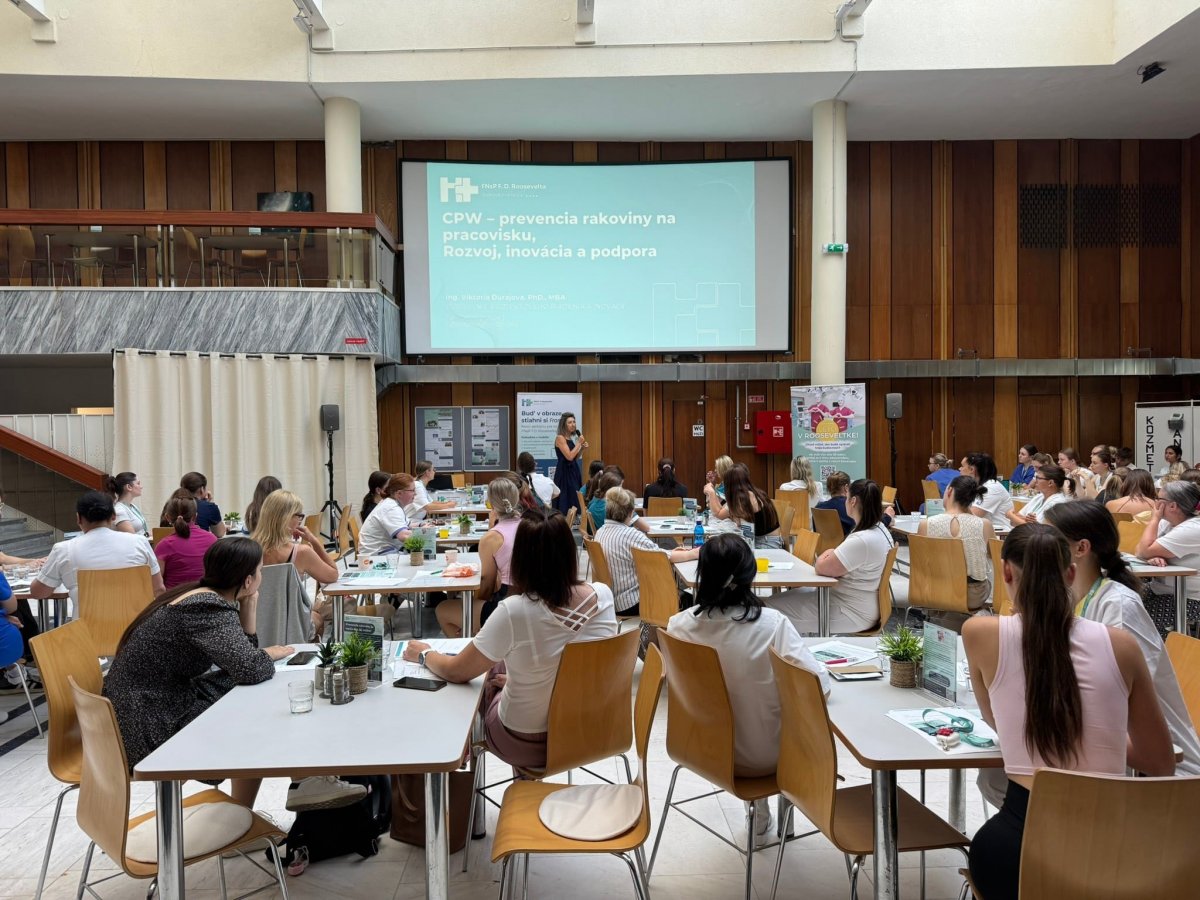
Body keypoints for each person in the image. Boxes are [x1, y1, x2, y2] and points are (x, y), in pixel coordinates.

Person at [964, 523, 1173, 900]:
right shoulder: (1121, 645)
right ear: (1072, 574)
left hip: (1018, 850)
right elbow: (1160, 763)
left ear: (1006, 571)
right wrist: (1101, 735)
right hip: (1112, 852)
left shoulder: (979, 633)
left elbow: (999, 724)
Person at [103, 539, 367, 812]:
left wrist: (250, 609)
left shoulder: (198, 596)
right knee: (256, 708)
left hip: (146, 702)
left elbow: (243, 658)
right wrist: (266, 655)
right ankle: (300, 784)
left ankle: (274, 796)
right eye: (261, 571)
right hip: (147, 717)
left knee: (252, 696)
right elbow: (250, 668)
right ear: (248, 580)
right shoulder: (207, 608)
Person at [402, 510, 617, 771]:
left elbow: (456, 672)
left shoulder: (514, 611)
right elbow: (576, 665)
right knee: (504, 664)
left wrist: (424, 654)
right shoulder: (604, 596)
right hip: (594, 732)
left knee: (484, 675)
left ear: (520, 558)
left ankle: (459, 757)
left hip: (527, 742)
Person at [667, 534, 830, 842]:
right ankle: (774, 815)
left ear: (702, 574)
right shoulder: (773, 624)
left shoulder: (678, 626)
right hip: (765, 757)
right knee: (774, 709)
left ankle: (759, 813)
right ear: (749, 575)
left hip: (699, 751)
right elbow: (817, 687)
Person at [1044, 502, 1200, 775]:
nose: (1036, 548)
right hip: (1107, 746)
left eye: (1047, 540)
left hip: (1160, 770)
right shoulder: (1068, 597)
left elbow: (1115, 700)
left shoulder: (1118, 606)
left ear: (1081, 548)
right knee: (1000, 776)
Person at [769, 479, 895, 634]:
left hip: (849, 610)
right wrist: (832, 554)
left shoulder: (863, 539)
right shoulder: (880, 530)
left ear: (853, 501)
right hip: (857, 604)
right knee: (772, 603)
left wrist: (829, 552)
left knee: (767, 611)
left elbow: (821, 567)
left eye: (847, 498)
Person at [31, 491, 164, 603]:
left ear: (78, 518)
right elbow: (158, 589)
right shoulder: (139, 542)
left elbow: (38, 593)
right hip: (135, 625)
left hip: (86, 626)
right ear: (113, 516)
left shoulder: (63, 549)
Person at [436, 476, 522, 638]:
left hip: (509, 604)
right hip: (535, 600)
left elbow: (487, 584)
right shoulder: (530, 526)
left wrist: (476, 607)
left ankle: (475, 648)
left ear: (490, 503)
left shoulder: (492, 538)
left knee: (443, 609)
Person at [595, 487, 698, 617]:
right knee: (689, 598)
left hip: (610, 600)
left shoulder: (600, 532)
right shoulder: (630, 535)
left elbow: (656, 552)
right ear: (631, 512)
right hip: (632, 602)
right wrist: (694, 553)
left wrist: (670, 552)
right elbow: (663, 557)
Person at [1135, 479, 1200, 636]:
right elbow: (1139, 550)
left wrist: (1154, 519)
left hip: (1188, 597)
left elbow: (1144, 550)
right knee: (1123, 603)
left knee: (1140, 623)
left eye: (1159, 499)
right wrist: (1151, 557)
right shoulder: (1167, 523)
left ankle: (1162, 651)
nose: (1155, 503)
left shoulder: (1192, 528)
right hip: (1161, 589)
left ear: (1172, 506)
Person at [919, 476, 995, 609]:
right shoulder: (984, 524)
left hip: (935, 591)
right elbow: (994, 556)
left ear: (949, 491)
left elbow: (921, 563)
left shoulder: (926, 524)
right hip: (973, 596)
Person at [703, 463, 783, 549]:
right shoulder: (751, 493)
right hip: (764, 540)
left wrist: (711, 492)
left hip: (767, 544)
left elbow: (719, 514)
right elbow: (722, 511)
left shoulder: (745, 498)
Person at [154, 493, 217, 589]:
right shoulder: (212, 539)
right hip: (207, 595)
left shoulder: (164, 545)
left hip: (175, 597)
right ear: (195, 516)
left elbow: (157, 585)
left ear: (167, 518)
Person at [357, 473, 416, 557]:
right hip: (375, 556)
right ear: (399, 493)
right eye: (412, 490)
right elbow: (404, 536)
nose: (415, 493)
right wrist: (428, 536)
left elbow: (408, 524)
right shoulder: (390, 508)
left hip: (383, 551)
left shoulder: (392, 503)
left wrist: (422, 525)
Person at [1006, 464, 1071, 526]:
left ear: (1050, 483)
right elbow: (1013, 523)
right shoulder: (1039, 497)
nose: (1035, 481)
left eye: (1038, 478)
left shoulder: (1058, 502)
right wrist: (1022, 519)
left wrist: (1010, 515)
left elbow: (1038, 529)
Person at [961, 452, 1014, 529]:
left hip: (1000, 533)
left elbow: (971, 517)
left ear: (972, 469)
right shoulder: (978, 486)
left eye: (962, 466)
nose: (959, 469)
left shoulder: (991, 487)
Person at [552, 412, 587, 516]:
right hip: (564, 472)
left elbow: (574, 458)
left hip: (573, 470)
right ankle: (564, 519)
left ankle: (573, 519)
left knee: (575, 495)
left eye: (574, 422)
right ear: (564, 424)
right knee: (566, 497)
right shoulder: (560, 438)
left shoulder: (570, 439)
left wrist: (582, 448)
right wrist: (579, 443)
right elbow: (569, 457)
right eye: (570, 422)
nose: (573, 424)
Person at [180, 471, 225, 536]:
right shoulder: (210, 507)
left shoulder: (172, 504)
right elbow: (219, 533)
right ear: (201, 489)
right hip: (200, 542)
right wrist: (208, 504)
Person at [108, 472, 150, 539]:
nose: (141, 487)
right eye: (138, 483)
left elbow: (142, 533)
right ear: (129, 487)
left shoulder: (132, 506)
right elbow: (132, 539)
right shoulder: (119, 510)